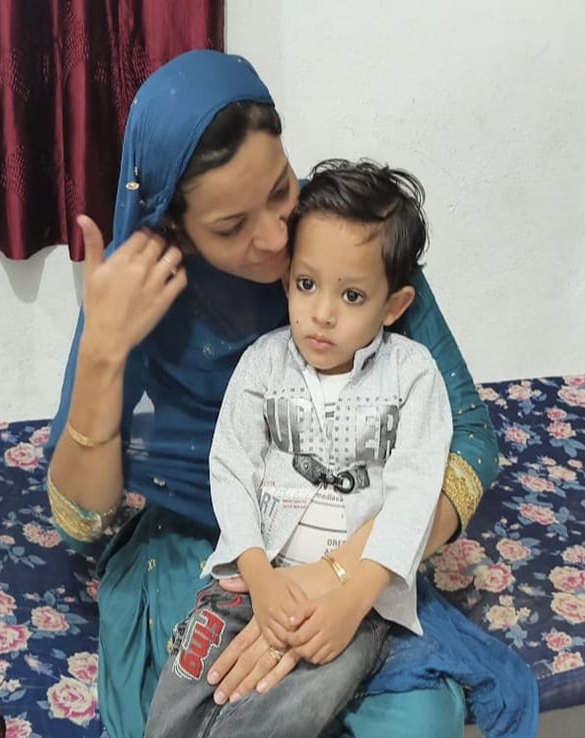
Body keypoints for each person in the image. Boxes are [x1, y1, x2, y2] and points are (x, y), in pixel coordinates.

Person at [45, 50, 536, 738]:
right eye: (230, 227)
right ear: (176, 226)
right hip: (208, 547)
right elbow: (80, 522)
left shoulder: (347, 240)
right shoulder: (142, 289)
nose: (277, 236)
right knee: (216, 707)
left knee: (419, 721)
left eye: (280, 189)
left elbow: (470, 441)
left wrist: (343, 576)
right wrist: (103, 355)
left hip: (359, 535)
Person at [143, 159, 454, 738]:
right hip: (253, 576)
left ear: (393, 306)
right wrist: (259, 579)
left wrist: (355, 600)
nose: (323, 314)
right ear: (287, 281)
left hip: (353, 600)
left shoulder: (413, 376)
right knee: (188, 675)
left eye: (352, 295)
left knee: (294, 704)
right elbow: (231, 468)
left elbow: (415, 495)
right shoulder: (264, 363)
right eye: (307, 284)